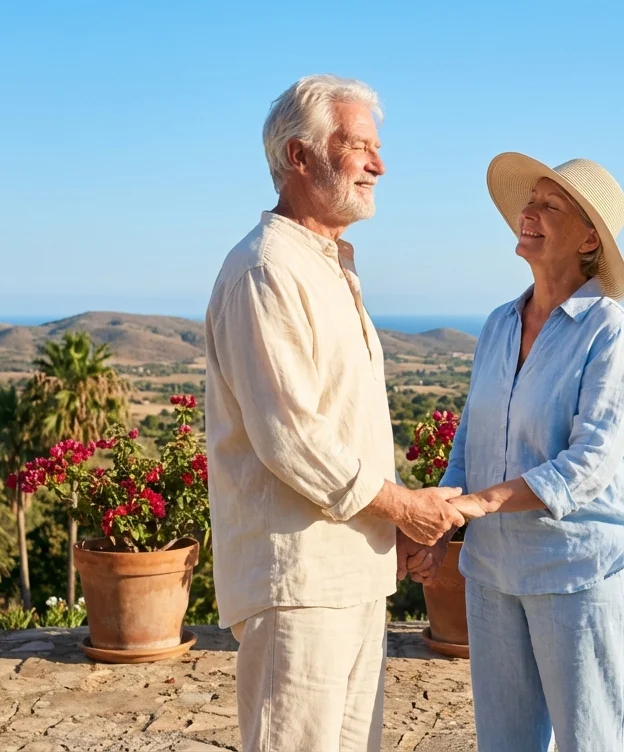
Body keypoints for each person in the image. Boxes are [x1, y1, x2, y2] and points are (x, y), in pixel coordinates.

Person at [204, 74, 465, 752]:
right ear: (299, 156)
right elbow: (291, 438)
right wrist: (403, 507)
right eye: (359, 147)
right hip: (299, 582)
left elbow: (345, 427)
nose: (380, 165)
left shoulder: (325, 268)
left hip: (347, 574)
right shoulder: (267, 270)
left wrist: (391, 523)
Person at [421, 154, 624, 752]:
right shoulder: (500, 323)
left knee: (591, 741)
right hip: (492, 572)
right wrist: (444, 521)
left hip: (576, 571)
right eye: (531, 202)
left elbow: (593, 459)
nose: (529, 213)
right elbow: (472, 436)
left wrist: (481, 504)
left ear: (588, 239)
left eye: (551, 206)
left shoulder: (609, 330)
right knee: (505, 743)